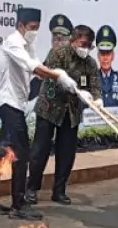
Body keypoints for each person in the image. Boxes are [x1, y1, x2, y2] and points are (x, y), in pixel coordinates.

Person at [0, 7, 78, 220]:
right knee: (21, 154)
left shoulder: (29, 44)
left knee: (2, 152)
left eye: (37, 28)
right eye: (32, 28)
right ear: (20, 25)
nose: (34, 32)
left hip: (17, 104)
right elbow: (32, 67)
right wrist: (58, 77)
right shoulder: (12, 42)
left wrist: (61, 74)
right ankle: (19, 205)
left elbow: (40, 66)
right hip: (9, 105)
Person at [26, 25, 101, 206]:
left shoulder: (90, 63)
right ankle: (31, 189)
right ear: (74, 40)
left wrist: (96, 99)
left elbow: (95, 86)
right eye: (84, 43)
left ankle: (59, 191)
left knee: (67, 153)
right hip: (49, 108)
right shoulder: (58, 53)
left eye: (90, 45)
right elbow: (51, 74)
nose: (86, 48)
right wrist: (64, 80)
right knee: (40, 150)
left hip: (72, 112)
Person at [28, 14, 75, 100]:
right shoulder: (43, 69)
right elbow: (28, 96)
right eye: (55, 38)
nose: (58, 43)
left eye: (62, 39)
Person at [95, 25, 118, 109]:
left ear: (113, 56)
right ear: (98, 56)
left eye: (108, 54)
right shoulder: (92, 78)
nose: (105, 58)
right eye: (102, 54)